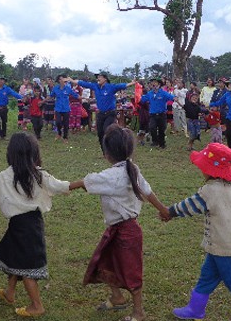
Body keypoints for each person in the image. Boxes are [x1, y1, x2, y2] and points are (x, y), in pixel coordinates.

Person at [165, 142, 231, 321]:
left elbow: (190, 205)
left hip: (226, 247)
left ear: (209, 169)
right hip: (219, 244)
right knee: (207, 277)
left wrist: (170, 212)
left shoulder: (210, 190)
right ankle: (196, 308)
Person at [71, 124, 170, 321]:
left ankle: (139, 312)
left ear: (106, 153)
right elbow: (148, 192)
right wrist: (164, 210)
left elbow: (85, 182)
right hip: (118, 229)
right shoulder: (131, 168)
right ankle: (117, 297)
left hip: (127, 232)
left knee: (131, 270)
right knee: (105, 261)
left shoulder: (111, 176)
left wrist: (60, 187)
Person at [0, 133, 81, 317]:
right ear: (34, 153)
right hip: (28, 225)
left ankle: (37, 305)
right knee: (12, 257)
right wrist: (79, 183)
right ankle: (10, 293)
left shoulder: (4, 177)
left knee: (26, 268)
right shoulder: (38, 174)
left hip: (24, 227)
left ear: (10, 153)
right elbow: (59, 186)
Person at [68, 74, 136, 153]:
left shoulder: (111, 87)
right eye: (97, 77)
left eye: (100, 77)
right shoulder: (95, 86)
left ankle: (113, 146)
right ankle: (105, 152)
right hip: (100, 114)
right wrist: (72, 81)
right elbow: (83, 83)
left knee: (106, 130)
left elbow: (121, 85)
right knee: (100, 133)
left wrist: (131, 83)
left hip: (110, 113)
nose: (98, 78)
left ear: (105, 79)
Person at [140, 78, 176, 149]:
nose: (153, 84)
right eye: (152, 83)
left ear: (159, 85)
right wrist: (137, 96)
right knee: (152, 128)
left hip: (162, 114)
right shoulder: (149, 93)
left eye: (155, 83)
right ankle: (155, 141)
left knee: (161, 130)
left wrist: (175, 98)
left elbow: (172, 97)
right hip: (153, 115)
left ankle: (162, 143)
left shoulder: (163, 93)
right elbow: (142, 100)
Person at [50, 75, 79, 142]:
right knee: (58, 122)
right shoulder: (55, 88)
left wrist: (86, 98)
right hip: (58, 108)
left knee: (66, 124)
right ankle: (59, 133)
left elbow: (75, 95)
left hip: (66, 109)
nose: (62, 80)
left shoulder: (68, 88)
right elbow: (51, 96)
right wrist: (43, 101)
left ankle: (65, 137)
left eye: (63, 79)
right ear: (58, 81)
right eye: (60, 79)